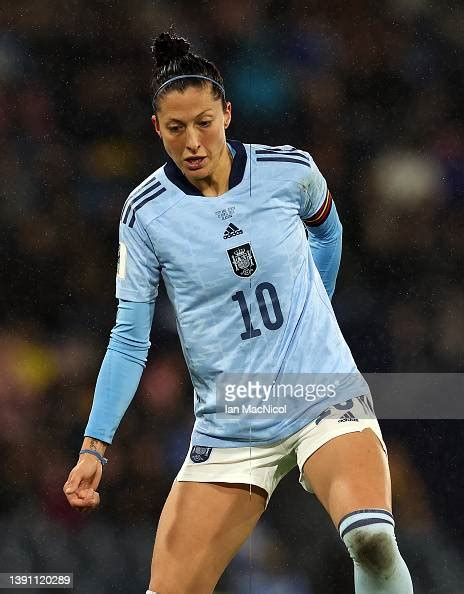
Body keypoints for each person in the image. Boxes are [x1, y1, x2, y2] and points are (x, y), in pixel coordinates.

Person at [63, 32, 414, 594]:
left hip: (319, 393)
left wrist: (312, 307)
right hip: (231, 423)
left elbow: (328, 229)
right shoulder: (145, 215)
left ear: (227, 112)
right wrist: (93, 447)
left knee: (371, 539)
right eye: (176, 129)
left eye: (204, 121)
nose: (193, 141)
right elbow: (129, 339)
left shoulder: (290, 171)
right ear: (157, 129)